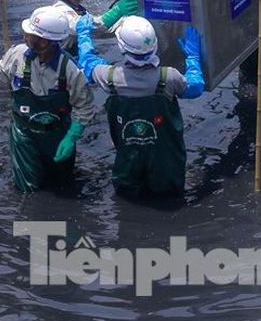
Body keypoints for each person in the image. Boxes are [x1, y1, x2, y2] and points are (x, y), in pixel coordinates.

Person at [0, 5, 95, 193]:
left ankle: (57, 220)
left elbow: (85, 108)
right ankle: (28, 221)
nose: (27, 38)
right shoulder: (17, 55)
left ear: (47, 41)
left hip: (57, 135)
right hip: (24, 134)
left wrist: (71, 138)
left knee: (62, 186)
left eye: (33, 36)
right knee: (28, 190)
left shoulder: (70, 70)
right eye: (28, 34)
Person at [75, 13, 205, 198]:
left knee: (127, 203)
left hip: (128, 161)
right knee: (170, 202)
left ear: (122, 47)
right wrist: (193, 57)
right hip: (166, 164)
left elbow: (87, 64)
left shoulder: (110, 77)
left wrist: (84, 35)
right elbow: (195, 87)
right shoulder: (169, 77)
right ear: (154, 45)